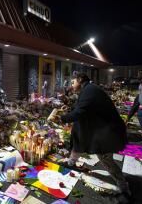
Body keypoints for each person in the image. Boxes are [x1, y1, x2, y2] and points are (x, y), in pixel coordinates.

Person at [50, 73, 130, 202]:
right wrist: (70, 109)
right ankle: (71, 162)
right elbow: (83, 107)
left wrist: (62, 118)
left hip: (105, 131)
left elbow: (81, 111)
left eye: (72, 82)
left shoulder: (90, 90)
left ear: (80, 80)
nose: (71, 85)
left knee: (104, 157)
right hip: (97, 126)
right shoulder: (88, 89)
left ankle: (124, 188)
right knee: (77, 136)